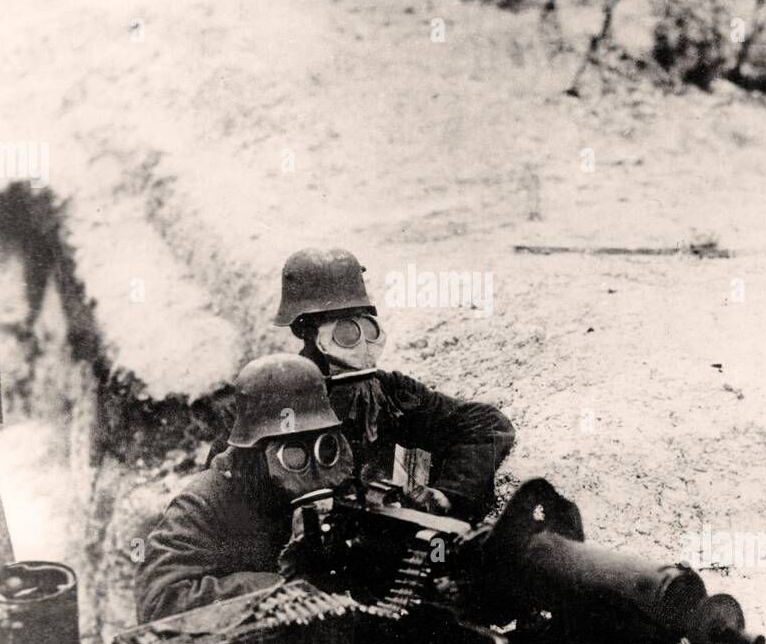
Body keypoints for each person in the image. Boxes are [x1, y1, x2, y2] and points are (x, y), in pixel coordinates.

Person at [275, 247, 514, 521]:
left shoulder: (387, 392)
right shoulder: (272, 399)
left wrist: (447, 494)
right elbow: (225, 496)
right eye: (342, 329)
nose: (358, 341)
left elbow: (486, 423)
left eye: (362, 324)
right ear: (304, 330)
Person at [136, 354, 352, 622]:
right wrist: (272, 588)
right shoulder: (205, 501)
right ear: (254, 447)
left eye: (324, 446)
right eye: (293, 452)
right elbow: (158, 601)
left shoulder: (335, 475)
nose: (313, 466)